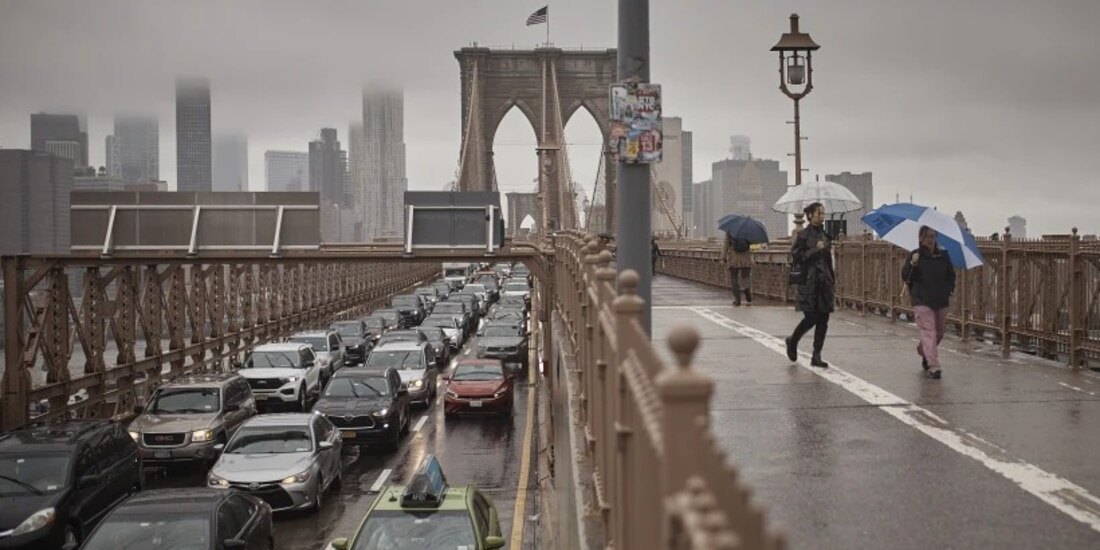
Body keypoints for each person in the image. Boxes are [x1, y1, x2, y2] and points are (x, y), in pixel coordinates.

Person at [902, 225, 956, 379]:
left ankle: (925, 351)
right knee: (929, 331)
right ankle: (934, 366)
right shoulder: (915, 255)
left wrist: (948, 290)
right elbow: (905, 277)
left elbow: (951, 275)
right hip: (921, 299)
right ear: (921, 238)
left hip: (940, 299)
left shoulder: (943, 255)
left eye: (933, 236)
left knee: (939, 332)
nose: (931, 240)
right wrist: (912, 264)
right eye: (928, 236)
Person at [785, 202, 834, 368]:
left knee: (823, 319)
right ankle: (793, 341)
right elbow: (795, 256)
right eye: (819, 213)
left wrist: (831, 279)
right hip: (808, 282)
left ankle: (816, 355)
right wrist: (815, 249)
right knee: (811, 318)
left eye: (823, 213)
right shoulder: (803, 235)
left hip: (824, 282)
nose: (822, 216)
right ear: (810, 215)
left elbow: (828, 261)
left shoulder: (826, 236)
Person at [721, 234, 753, 306]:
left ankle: (737, 299)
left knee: (734, 279)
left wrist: (723, 258)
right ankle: (747, 291)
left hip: (734, 259)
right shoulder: (748, 231)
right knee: (746, 277)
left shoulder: (730, 231)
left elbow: (726, 245)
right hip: (746, 259)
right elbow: (751, 243)